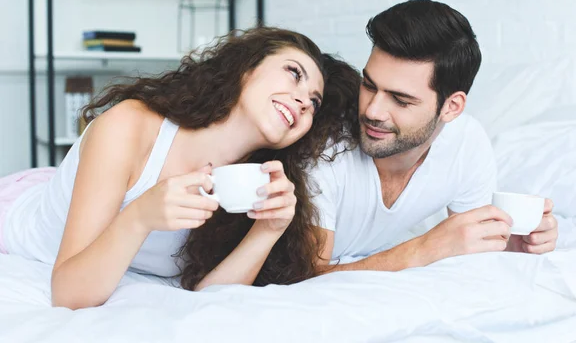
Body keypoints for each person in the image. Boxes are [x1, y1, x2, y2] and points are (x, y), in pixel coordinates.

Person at [0, 27, 360, 309]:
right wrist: (141, 216)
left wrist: (267, 230)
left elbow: (207, 296)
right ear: (246, 68)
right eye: (294, 74)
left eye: (314, 102)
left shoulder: (248, 186)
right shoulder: (129, 128)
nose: (302, 101)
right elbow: (68, 294)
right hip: (17, 215)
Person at [312, 0, 559, 272]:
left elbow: (469, 252)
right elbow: (305, 277)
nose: (373, 111)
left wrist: (509, 245)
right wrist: (425, 248)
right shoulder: (326, 147)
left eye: (400, 100)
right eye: (369, 86)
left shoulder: (467, 143)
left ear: (451, 107)